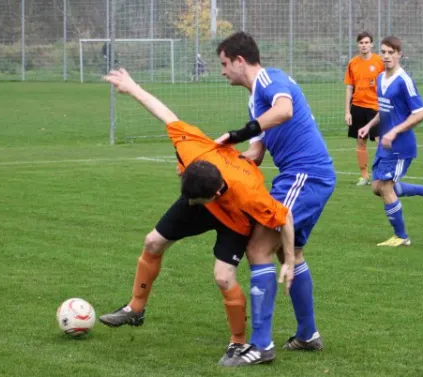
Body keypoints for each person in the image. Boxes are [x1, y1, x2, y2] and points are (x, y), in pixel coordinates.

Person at [97, 68, 296, 365]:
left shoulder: (249, 193)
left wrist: (290, 260)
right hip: (202, 202)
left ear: (216, 194)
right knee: (152, 242)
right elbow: (166, 114)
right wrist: (132, 87)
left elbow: (285, 218)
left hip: (234, 220)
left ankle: (238, 343)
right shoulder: (195, 150)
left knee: (223, 276)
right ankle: (135, 309)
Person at [215, 31, 336, 366]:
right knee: (291, 252)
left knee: (258, 248)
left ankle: (261, 345)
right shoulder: (254, 99)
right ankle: (308, 335)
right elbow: (257, 152)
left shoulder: (271, 78)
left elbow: (284, 110)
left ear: (240, 60)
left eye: (225, 64)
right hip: (306, 176)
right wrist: (223, 160)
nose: (223, 71)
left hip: (304, 175)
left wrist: (241, 131)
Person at [358, 36, 423, 247]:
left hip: (400, 146)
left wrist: (394, 132)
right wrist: (369, 126)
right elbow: (385, 109)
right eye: (384, 52)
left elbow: (421, 113)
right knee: (377, 187)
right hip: (385, 145)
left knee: (386, 188)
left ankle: (401, 236)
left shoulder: (404, 80)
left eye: (391, 52)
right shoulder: (380, 79)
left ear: (399, 54)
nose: (387, 56)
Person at [344, 31, 385, 186]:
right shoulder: (353, 63)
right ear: (358, 45)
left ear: (372, 44)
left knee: (379, 141)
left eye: (366, 42)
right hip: (358, 107)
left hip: (375, 107)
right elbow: (349, 87)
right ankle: (364, 176)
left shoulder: (380, 62)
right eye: (361, 43)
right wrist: (347, 111)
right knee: (361, 142)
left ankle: (381, 175)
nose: (364, 45)